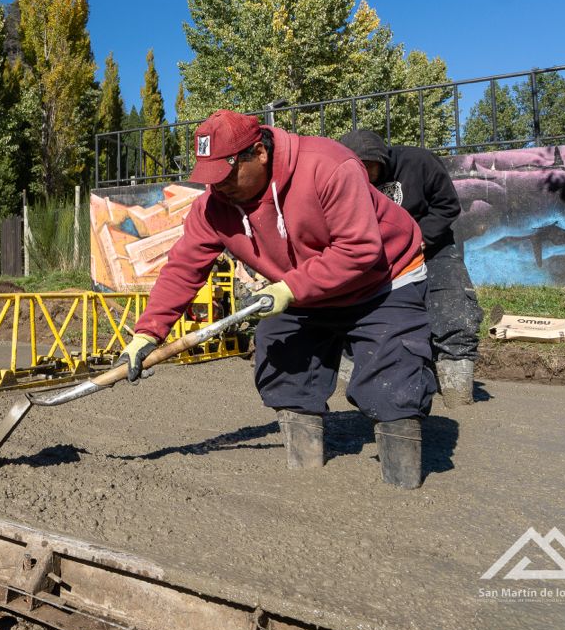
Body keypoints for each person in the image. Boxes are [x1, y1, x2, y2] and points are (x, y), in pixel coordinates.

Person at [120, 110, 436, 488]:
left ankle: (402, 486)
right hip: (300, 288)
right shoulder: (213, 208)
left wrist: (288, 289)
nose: (218, 188)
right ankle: (305, 477)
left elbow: (359, 250)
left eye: (227, 174)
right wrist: (148, 332)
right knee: (281, 357)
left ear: (259, 152)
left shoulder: (328, 166)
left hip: (383, 278)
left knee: (394, 375)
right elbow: (183, 268)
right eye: (210, 178)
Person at [338, 130, 482, 407]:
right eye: (357, 169)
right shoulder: (343, 180)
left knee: (454, 309)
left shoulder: (419, 162)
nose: (364, 175)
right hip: (376, 255)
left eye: (369, 167)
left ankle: (457, 392)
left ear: (383, 160)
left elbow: (446, 206)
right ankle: (349, 380)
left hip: (432, 246)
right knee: (351, 311)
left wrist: (417, 240)